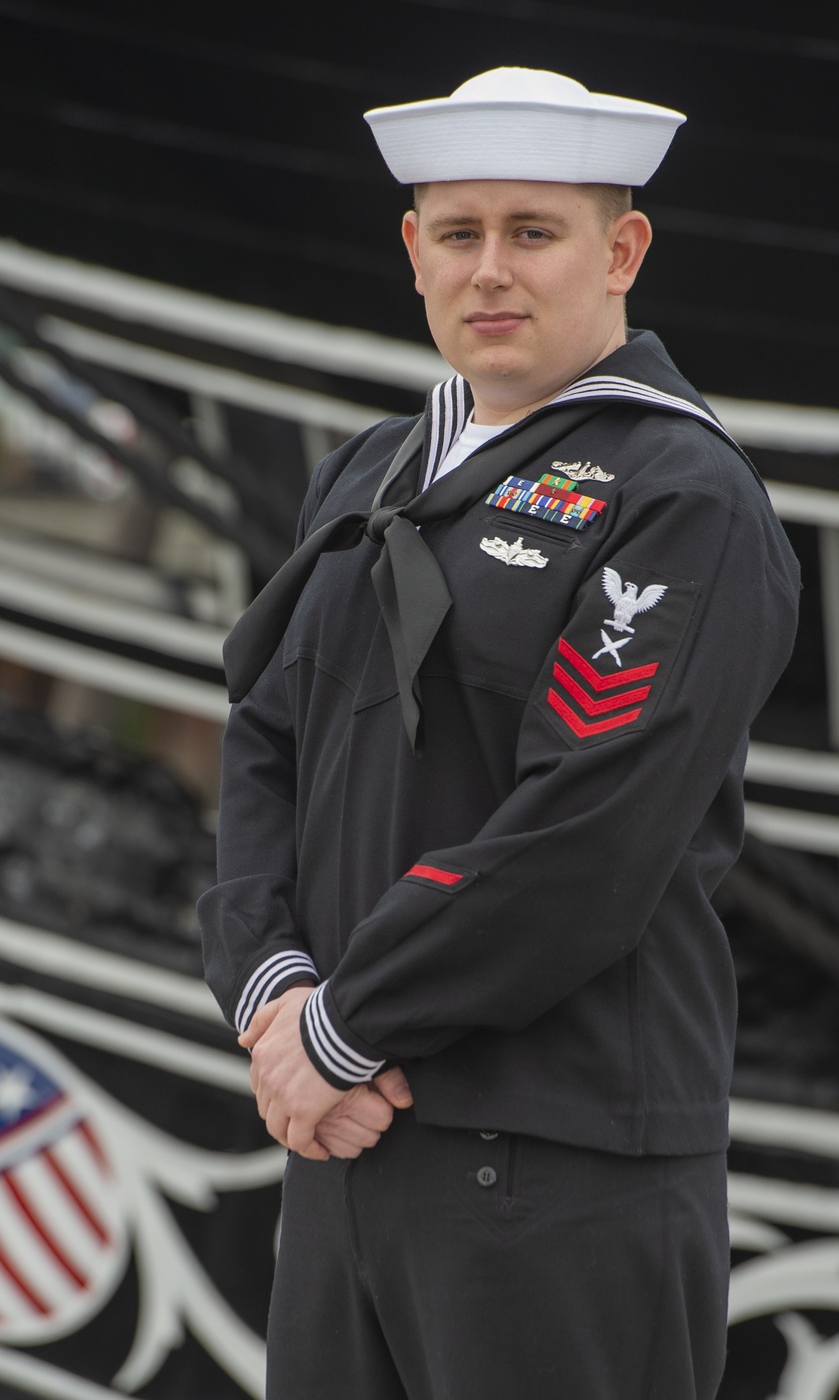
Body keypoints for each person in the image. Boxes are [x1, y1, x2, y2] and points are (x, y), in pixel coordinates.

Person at [198, 66, 800, 1400]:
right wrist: (267, 992)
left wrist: (345, 1030)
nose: (491, 272)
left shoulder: (680, 497)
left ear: (622, 249)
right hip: (349, 1149)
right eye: (459, 234)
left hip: (554, 1173)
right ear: (414, 251)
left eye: (534, 232)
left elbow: (586, 836)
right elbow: (262, 736)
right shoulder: (369, 472)